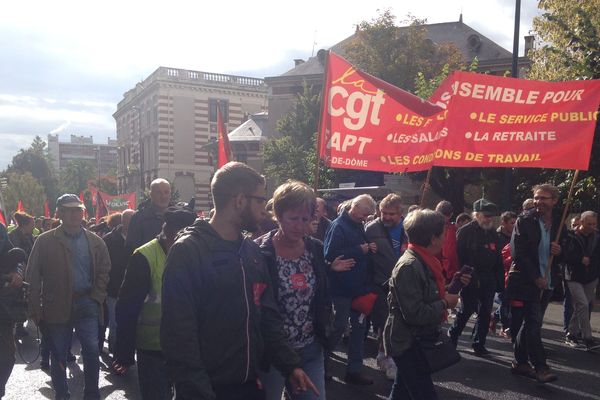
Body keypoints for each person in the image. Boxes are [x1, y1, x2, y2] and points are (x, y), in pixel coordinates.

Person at [160, 162, 316, 400]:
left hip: (249, 385)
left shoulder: (251, 251)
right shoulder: (188, 251)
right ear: (240, 200)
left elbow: (268, 316)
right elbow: (179, 336)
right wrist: (199, 393)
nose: (265, 210)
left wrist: (290, 365)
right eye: (261, 200)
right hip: (206, 389)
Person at [255, 181, 350, 400]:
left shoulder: (314, 248)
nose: (299, 226)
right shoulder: (260, 252)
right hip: (272, 351)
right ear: (278, 215)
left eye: (305, 219)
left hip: (310, 348)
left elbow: (321, 294)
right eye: (293, 218)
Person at [26, 194, 111, 400]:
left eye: (78, 210)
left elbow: (104, 270)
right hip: (56, 304)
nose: (74, 214)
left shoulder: (95, 241)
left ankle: (91, 393)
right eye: (69, 210)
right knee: (58, 353)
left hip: (87, 302)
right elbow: (33, 275)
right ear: (60, 213)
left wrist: (97, 296)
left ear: (83, 212)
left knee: (91, 350)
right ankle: (62, 394)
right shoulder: (45, 241)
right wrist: (35, 309)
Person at [112, 205, 196, 399]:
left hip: (188, 347)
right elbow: (127, 307)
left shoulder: (194, 255)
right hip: (153, 349)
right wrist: (124, 352)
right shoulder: (144, 257)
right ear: (173, 235)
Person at [383, 209, 462, 400]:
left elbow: (426, 295)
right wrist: (445, 303)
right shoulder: (410, 266)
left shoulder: (424, 260)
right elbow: (415, 313)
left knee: (402, 390)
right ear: (433, 238)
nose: (446, 238)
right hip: (408, 342)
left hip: (414, 340)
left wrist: (454, 285)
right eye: (443, 234)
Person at [506, 184, 566, 383]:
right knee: (533, 323)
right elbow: (519, 253)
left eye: (545, 198)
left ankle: (519, 362)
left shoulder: (559, 222)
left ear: (554, 201)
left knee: (530, 323)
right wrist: (535, 277)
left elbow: (567, 251)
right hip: (529, 280)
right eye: (537, 197)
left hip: (547, 281)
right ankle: (541, 366)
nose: (539, 201)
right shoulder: (524, 220)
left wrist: (560, 250)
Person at [324, 194, 377, 385]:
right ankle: (320, 363)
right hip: (341, 287)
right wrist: (360, 250)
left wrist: (368, 248)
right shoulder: (338, 226)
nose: (365, 218)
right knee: (338, 327)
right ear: (354, 207)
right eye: (364, 214)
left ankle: (354, 370)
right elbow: (329, 255)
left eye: (367, 215)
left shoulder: (356, 224)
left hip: (358, 287)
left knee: (359, 329)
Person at [448, 199, 503, 356]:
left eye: (490, 216)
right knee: (467, 309)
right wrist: (465, 277)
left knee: (485, 312)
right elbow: (459, 256)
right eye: (485, 216)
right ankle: (454, 333)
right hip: (470, 277)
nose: (488, 219)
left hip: (488, 278)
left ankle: (479, 343)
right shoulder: (465, 231)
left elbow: (497, 256)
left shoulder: (492, 232)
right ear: (476, 214)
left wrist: (498, 281)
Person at [365, 193, 404, 380]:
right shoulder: (371, 228)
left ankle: (394, 354)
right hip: (380, 283)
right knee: (384, 322)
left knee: (400, 323)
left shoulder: (410, 227)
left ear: (400, 212)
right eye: (383, 213)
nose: (387, 217)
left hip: (404, 284)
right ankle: (384, 356)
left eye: (391, 214)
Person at [563, 211, 599, 350]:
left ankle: (571, 334)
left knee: (581, 306)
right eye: (589, 224)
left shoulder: (597, 236)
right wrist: (579, 259)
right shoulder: (571, 236)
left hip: (591, 277)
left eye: (594, 224)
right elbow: (564, 254)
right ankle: (587, 337)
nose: (592, 226)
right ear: (581, 222)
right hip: (574, 276)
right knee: (583, 304)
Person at [102, 209, 135, 354]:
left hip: (133, 288)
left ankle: (125, 352)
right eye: (130, 219)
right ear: (123, 221)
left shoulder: (138, 237)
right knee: (114, 324)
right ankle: (116, 353)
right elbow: (102, 263)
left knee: (129, 323)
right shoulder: (109, 239)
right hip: (114, 287)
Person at [0, 223, 24, 399]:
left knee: (8, 357)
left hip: (3, 308)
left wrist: (17, 273)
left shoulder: (1, 230)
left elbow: (16, 259)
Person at [125, 178, 172, 253]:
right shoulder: (138, 218)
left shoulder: (177, 216)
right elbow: (131, 248)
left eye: (166, 192)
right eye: (159, 193)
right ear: (151, 195)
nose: (163, 196)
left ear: (170, 194)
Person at [435, 200, 459, 282]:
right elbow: (450, 253)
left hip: (431, 268)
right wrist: (452, 273)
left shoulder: (428, 226)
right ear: (451, 215)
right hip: (444, 272)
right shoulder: (450, 229)